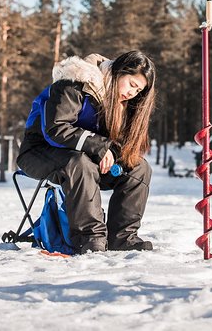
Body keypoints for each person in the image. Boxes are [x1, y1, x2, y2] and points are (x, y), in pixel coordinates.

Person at [16, 51, 156, 254]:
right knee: (79, 163)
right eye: (132, 84)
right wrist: (100, 147)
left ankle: (122, 238)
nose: (133, 93)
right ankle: (90, 239)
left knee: (139, 168)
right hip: (39, 153)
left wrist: (114, 152)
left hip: (86, 162)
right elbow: (56, 128)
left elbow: (112, 145)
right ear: (119, 71)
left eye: (139, 91)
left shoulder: (119, 102)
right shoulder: (75, 83)